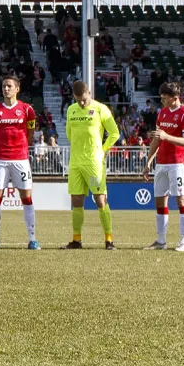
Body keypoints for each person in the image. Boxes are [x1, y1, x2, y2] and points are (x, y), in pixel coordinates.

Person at [0, 74, 39, 250]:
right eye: (3, 86)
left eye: (9, 86)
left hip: (21, 159)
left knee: (27, 198)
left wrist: (20, 146)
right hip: (0, 160)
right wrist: (0, 147)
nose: (6, 89)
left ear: (17, 88)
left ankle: (32, 238)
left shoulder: (27, 109)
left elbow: (30, 133)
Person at [63, 78, 120, 250]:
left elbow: (115, 133)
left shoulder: (101, 109)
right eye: (78, 99)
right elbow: (69, 134)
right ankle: (76, 239)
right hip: (75, 163)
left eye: (84, 99)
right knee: (76, 200)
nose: (81, 102)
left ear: (89, 93)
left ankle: (109, 240)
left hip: (94, 163)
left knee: (100, 199)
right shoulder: (71, 110)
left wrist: (102, 150)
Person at [150, 80, 184, 252]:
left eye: (165, 98)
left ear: (175, 98)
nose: (162, 101)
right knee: (160, 201)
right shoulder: (162, 113)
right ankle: (161, 241)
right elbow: (157, 138)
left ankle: (183, 242)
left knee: (181, 199)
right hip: (161, 162)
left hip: (178, 163)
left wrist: (166, 136)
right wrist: (148, 161)